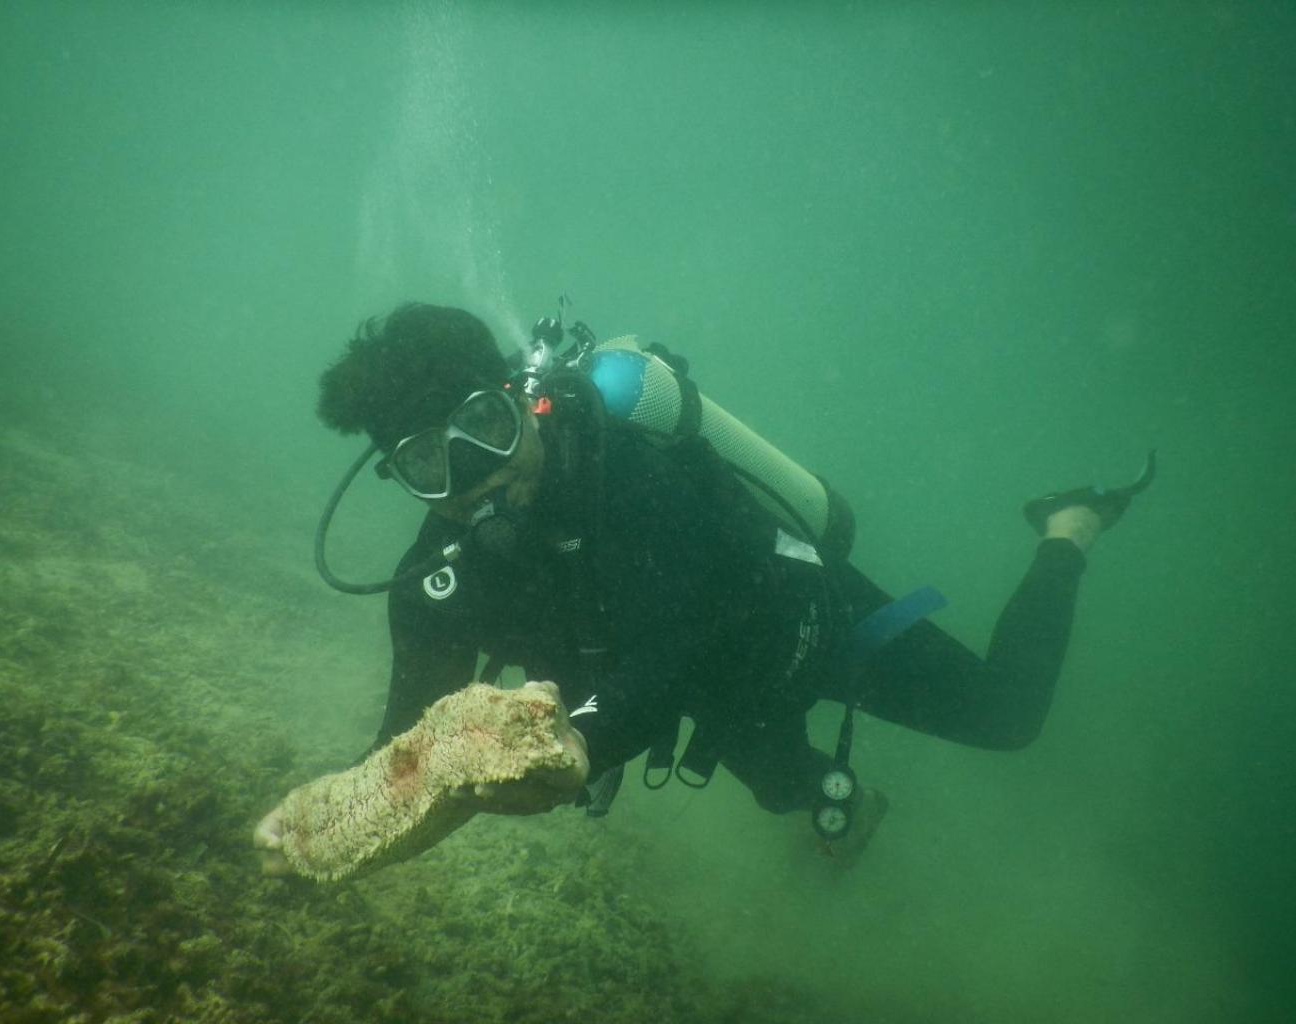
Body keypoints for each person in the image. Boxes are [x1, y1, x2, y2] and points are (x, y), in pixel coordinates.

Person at [269, 301, 1133, 862]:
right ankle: (838, 806)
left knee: (1005, 716)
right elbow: (404, 752)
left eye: (483, 428)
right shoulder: (438, 582)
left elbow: (678, 648)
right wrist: (340, 816)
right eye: (427, 463)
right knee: (787, 784)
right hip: (698, 695)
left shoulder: (634, 477)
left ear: (521, 399)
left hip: (793, 625)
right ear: (399, 477)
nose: (473, 475)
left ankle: (1067, 528)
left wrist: (578, 743)